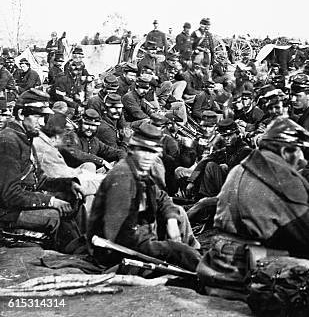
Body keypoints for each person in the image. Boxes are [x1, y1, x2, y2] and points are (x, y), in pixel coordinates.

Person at [202, 118, 309, 281]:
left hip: (219, 258)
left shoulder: (240, 169)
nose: (303, 160)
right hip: (250, 268)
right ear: (285, 151)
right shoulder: (282, 179)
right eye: (300, 151)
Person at [88, 123, 201, 271]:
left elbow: (161, 197)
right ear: (132, 150)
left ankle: (198, 260)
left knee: (178, 213)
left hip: (139, 237)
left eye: (153, 152)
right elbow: (118, 233)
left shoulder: (139, 170)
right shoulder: (122, 176)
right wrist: (162, 247)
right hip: (115, 250)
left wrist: (171, 219)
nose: (149, 157)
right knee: (179, 252)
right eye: (144, 151)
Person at [0, 89, 85, 236]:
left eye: (44, 117)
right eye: (37, 116)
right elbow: (10, 195)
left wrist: (68, 184)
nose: (42, 123)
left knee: (71, 198)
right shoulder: (8, 141)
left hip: (16, 204)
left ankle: (78, 245)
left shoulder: (25, 136)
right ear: (21, 114)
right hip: (6, 212)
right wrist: (50, 201)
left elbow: (39, 179)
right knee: (52, 216)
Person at [61, 109, 126, 172]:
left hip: (90, 176)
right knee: (90, 165)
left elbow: (117, 152)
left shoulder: (94, 141)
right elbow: (76, 154)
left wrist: (122, 161)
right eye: (86, 124)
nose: (90, 128)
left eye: (93, 125)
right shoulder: (70, 136)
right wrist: (101, 161)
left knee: (116, 164)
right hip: (71, 175)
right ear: (80, 124)